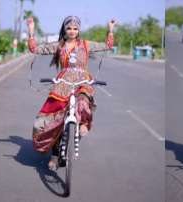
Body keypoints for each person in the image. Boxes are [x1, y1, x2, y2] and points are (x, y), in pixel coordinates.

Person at [26, 16, 116, 170]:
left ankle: (83, 124)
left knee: (82, 101)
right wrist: (31, 31)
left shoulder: (86, 45)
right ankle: (55, 155)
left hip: (83, 81)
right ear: (64, 30)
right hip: (63, 83)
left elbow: (108, 46)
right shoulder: (59, 46)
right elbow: (35, 49)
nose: (72, 31)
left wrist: (110, 30)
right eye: (69, 28)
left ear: (78, 30)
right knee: (54, 120)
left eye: (75, 28)